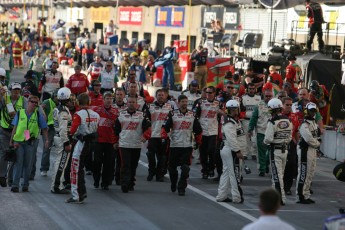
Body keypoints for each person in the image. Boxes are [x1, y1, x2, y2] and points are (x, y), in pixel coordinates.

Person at [162, 94, 202, 196]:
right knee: (172, 168)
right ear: (178, 103)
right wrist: (164, 139)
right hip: (174, 145)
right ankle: (174, 182)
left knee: (185, 168)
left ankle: (181, 187)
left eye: (186, 102)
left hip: (187, 146)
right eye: (182, 102)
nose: (184, 104)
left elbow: (198, 130)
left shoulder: (192, 115)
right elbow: (165, 128)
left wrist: (198, 142)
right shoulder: (172, 114)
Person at [9, 95, 49, 192]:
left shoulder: (38, 115)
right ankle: (15, 185)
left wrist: (46, 140)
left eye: (36, 103)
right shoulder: (20, 113)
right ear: (28, 102)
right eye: (33, 102)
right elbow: (14, 127)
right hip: (19, 142)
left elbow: (44, 128)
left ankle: (25, 184)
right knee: (18, 162)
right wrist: (11, 141)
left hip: (30, 142)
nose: (34, 104)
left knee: (28, 164)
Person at [66, 93, 100, 204]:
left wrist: (70, 136)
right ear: (89, 102)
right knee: (80, 168)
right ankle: (82, 191)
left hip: (82, 143)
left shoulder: (78, 114)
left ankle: (76, 195)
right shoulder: (96, 114)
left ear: (78, 103)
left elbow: (72, 130)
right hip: (92, 144)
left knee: (74, 168)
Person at [114, 96, 151, 193]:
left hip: (136, 144)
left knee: (133, 165)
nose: (131, 104)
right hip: (124, 144)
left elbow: (148, 128)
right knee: (125, 164)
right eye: (129, 102)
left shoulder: (142, 115)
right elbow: (115, 130)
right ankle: (124, 184)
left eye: (133, 102)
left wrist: (145, 136)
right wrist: (115, 142)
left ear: (136, 103)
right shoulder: (121, 115)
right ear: (127, 103)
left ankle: (131, 183)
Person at [264, 98, 293, 205]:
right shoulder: (288, 120)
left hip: (275, 150)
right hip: (285, 149)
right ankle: (274, 197)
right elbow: (290, 137)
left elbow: (268, 139)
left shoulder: (272, 122)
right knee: (280, 175)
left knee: (277, 176)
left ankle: (281, 199)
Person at [216, 100, 245, 203]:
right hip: (231, 150)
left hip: (229, 149)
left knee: (227, 173)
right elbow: (231, 138)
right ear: (227, 110)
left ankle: (221, 195)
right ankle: (237, 197)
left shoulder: (234, 120)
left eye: (236, 109)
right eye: (232, 109)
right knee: (235, 174)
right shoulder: (229, 122)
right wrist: (237, 151)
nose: (234, 111)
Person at [194, 86, 223, 179]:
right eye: (207, 92)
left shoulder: (218, 103)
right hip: (202, 131)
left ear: (214, 93)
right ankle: (205, 170)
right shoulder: (200, 102)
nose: (208, 94)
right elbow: (194, 116)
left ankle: (211, 168)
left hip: (213, 131)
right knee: (203, 153)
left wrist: (221, 112)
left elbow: (223, 114)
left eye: (210, 93)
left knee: (212, 151)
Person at [0, 82, 26, 187]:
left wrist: (27, 136)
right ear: (10, 91)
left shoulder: (24, 100)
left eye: (18, 91)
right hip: (5, 131)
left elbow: (28, 116)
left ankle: (12, 179)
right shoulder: (5, 99)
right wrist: (0, 95)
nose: (16, 93)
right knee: (4, 153)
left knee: (17, 156)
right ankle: (2, 176)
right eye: (14, 90)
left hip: (18, 133)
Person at [146, 89, 173, 182]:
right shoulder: (150, 106)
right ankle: (151, 171)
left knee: (163, 157)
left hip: (164, 136)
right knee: (150, 155)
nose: (161, 97)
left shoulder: (170, 107)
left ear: (165, 96)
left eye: (162, 95)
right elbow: (145, 120)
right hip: (152, 135)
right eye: (159, 95)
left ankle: (159, 174)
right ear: (156, 96)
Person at [92, 92, 117, 190]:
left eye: (111, 98)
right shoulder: (97, 110)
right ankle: (96, 180)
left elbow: (117, 127)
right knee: (97, 161)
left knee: (108, 163)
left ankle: (105, 182)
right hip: (98, 140)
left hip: (110, 140)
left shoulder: (116, 112)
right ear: (103, 99)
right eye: (107, 98)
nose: (109, 100)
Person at [296, 102, 320, 204]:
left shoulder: (314, 123)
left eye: (314, 111)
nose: (312, 113)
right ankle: (300, 196)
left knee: (310, 172)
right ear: (306, 110)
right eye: (311, 110)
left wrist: (317, 146)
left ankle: (306, 194)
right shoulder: (304, 124)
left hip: (312, 150)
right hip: (305, 150)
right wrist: (318, 144)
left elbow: (316, 136)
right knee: (304, 173)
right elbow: (308, 138)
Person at [50, 87, 72, 194]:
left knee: (59, 162)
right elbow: (63, 130)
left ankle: (59, 184)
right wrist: (66, 143)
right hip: (62, 139)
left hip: (58, 137)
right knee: (61, 163)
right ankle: (56, 186)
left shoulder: (57, 108)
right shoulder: (63, 111)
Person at [248, 89, 273, 177]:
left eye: (270, 96)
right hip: (261, 131)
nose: (268, 98)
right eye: (267, 96)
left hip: (272, 132)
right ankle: (261, 169)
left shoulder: (275, 105)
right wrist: (250, 128)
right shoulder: (258, 105)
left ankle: (266, 164)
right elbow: (253, 118)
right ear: (263, 96)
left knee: (270, 152)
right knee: (261, 151)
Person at [281, 97, 300, 196]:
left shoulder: (294, 116)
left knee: (291, 165)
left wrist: (297, 143)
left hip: (291, 143)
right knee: (281, 165)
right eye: (286, 105)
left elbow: (296, 130)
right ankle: (280, 186)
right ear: (282, 105)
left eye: (290, 105)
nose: (288, 107)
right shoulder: (278, 115)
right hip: (280, 143)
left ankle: (287, 187)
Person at [40, 90, 58, 177]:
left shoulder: (63, 103)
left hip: (58, 128)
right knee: (46, 148)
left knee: (59, 150)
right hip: (48, 129)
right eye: (56, 96)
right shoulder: (47, 102)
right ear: (53, 96)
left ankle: (58, 168)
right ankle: (44, 168)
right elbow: (40, 108)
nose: (58, 99)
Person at [240, 83, 261, 160]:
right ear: (247, 89)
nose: (251, 90)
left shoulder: (259, 98)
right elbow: (241, 110)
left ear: (255, 89)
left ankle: (254, 153)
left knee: (255, 138)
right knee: (246, 137)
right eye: (250, 89)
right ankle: (245, 153)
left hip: (256, 121)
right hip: (246, 120)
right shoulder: (243, 98)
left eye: (253, 89)